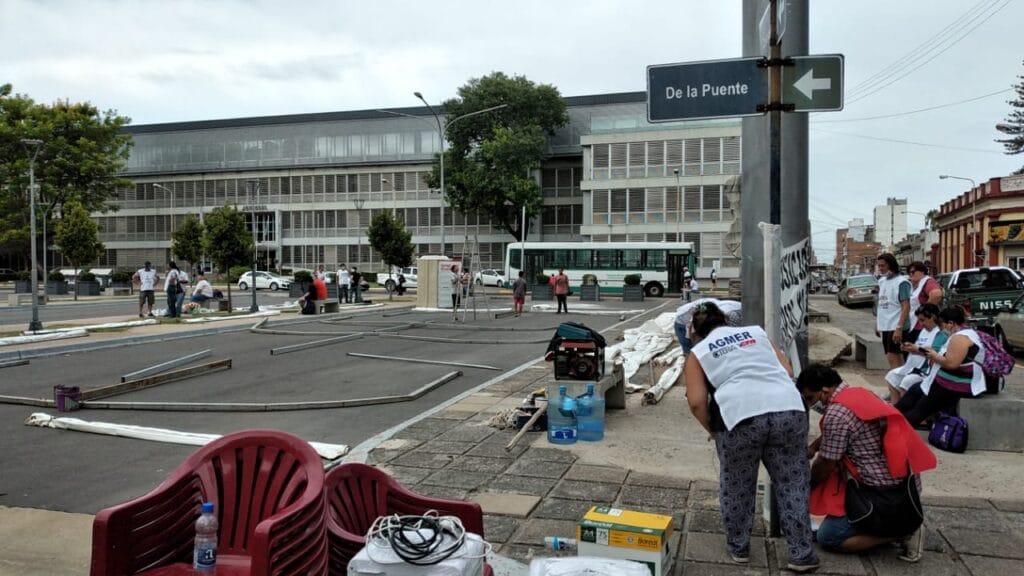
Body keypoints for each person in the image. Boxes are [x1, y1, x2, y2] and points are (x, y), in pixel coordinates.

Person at [683, 302, 818, 572]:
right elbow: (788, 370)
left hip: (739, 417)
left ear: (695, 330)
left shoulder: (698, 353)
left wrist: (713, 430)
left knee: (737, 486)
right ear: (725, 321)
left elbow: (696, 401)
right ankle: (801, 554)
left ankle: (739, 548)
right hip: (788, 410)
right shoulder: (756, 334)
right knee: (792, 483)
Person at [798, 364, 936, 562]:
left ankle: (903, 533)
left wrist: (808, 485)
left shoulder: (837, 413)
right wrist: (814, 446)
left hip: (880, 493)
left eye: (811, 398)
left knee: (828, 537)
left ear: (825, 391)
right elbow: (843, 432)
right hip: (904, 482)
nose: (811, 404)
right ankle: (897, 526)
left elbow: (826, 463)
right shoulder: (859, 394)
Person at [895, 305, 989, 428]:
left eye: (943, 324)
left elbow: (951, 364)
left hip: (958, 384)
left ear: (950, 323)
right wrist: (920, 349)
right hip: (947, 379)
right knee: (915, 390)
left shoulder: (960, 338)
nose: (942, 328)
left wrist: (933, 356)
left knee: (921, 407)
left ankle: (897, 426)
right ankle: (892, 416)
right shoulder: (960, 334)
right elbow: (942, 354)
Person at [885, 304, 947, 404]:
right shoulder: (924, 331)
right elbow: (918, 346)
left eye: (923, 320)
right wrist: (909, 347)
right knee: (892, 376)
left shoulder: (940, 333)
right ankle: (895, 405)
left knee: (907, 382)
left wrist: (916, 349)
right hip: (913, 367)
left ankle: (905, 409)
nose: (921, 324)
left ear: (933, 318)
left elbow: (933, 353)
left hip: (926, 371)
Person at [875, 253, 911, 370]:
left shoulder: (902, 282)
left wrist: (899, 327)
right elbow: (881, 304)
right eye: (879, 266)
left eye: (883, 266)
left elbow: (905, 306)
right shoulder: (882, 281)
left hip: (896, 325)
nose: (881, 269)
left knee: (894, 356)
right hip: (886, 325)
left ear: (891, 265)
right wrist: (877, 323)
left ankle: (897, 383)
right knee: (889, 355)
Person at [674, 297, 742, 357]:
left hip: (732, 312)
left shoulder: (731, 317)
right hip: (681, 321)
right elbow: (695, 343)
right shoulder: (692, 323)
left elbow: (735, 341)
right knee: (691, 352)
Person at [904, 261, 944, 344]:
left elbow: (936, 294)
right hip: (912, 324)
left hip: (922, 326)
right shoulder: (913, 284)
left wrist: (924, 311)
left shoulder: (928, 282)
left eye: (913, 272)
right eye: (909, 272)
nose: (911, 274)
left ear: (922, 272)